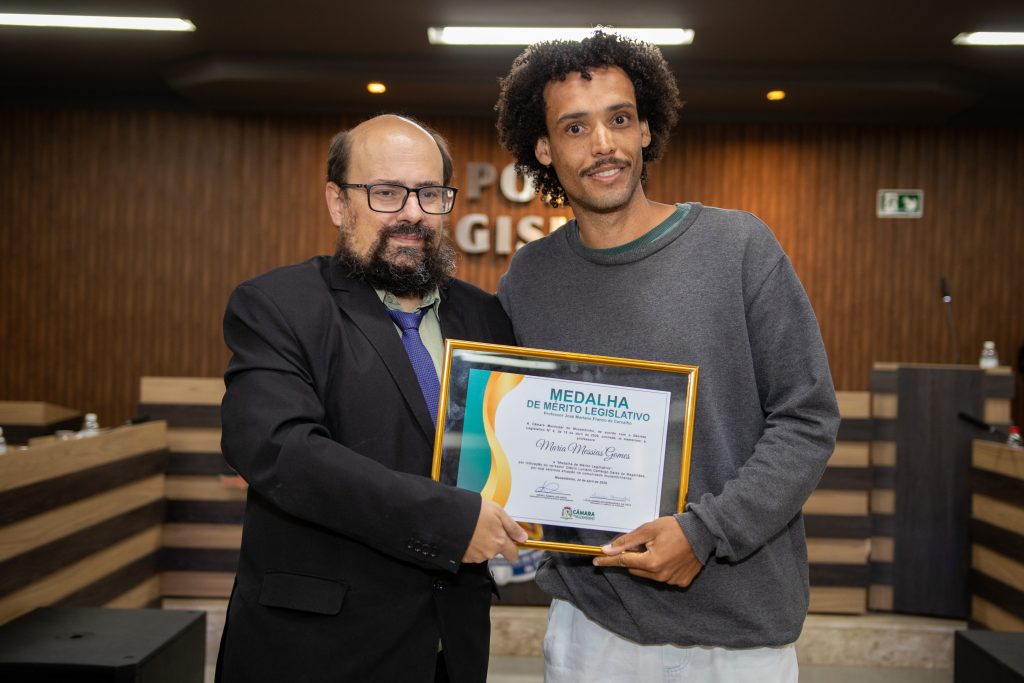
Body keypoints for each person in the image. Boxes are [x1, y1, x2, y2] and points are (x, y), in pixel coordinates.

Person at [494, 31, 840, 682]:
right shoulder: (530, 279)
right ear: (543, 148)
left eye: (620, 119)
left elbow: (808, 419)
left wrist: (705, 532)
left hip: (738, 639)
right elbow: (514, 426)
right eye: (575, 127)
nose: (603, 144)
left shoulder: (739, 247)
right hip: (593, 627)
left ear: (646, 128)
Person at [216, 114, 527, 683]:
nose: (412, 212)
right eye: (386, 192)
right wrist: (450, 521)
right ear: (338, 203)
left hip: (451, 646)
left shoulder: (486, 317)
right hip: (315, 652)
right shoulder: (278, 305)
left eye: (429, 193)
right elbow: (279, 450)